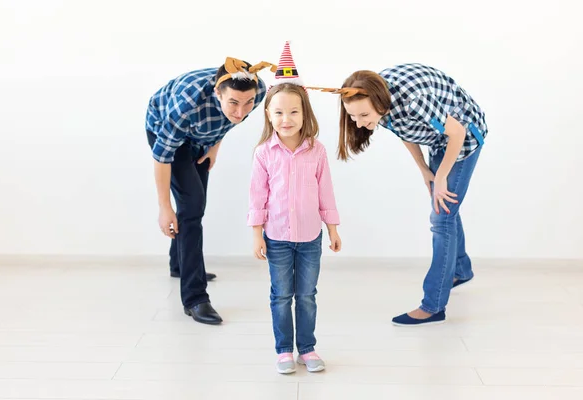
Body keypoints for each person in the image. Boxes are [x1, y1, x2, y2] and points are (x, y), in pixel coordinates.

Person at [309, 63, 487, 326]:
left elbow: (457, 132)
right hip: (437, 139)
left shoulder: (414, 101)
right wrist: (424, 169)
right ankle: (460, 269)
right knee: (444, 206)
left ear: (380, 103)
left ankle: (433, 305)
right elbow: (403, 129)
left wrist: (440, 177)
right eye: (353, 117)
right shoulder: (379, 101)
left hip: (464, 138)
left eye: (363, 115)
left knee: (442, 216)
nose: (359, 123)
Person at [145, 57, 276, 325]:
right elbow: (162, 157)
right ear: (218, 93)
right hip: (166, 135)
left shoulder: (258, 90)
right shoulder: (186, 105)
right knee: (192, 207)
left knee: (195, 204)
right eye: (233, 103)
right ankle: (195, 299)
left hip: (204, 136)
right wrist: (164, 207)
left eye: (247, 103)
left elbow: (232, 119)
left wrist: (214, 144)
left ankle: (179, 264)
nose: (241, 111)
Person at [247, 42, 342, 374]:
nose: (286, 119)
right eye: (278, 112)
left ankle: (308, 348)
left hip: (310, 238)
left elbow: (325, 192)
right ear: (268, 115)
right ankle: (284, 350)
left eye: (293, 112)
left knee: (306, 295)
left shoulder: (317, 151)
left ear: (305, 114)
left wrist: (332, 228)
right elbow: (257, 197)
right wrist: (257, 235)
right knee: (280, 295)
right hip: (276, 238)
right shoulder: (263, 153)